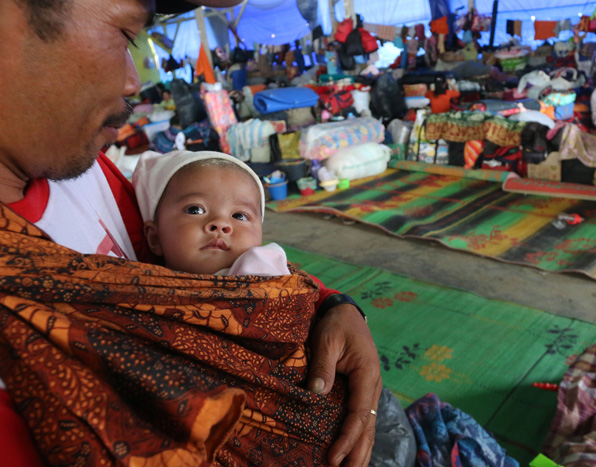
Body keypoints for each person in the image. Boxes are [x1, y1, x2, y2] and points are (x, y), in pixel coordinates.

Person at [0, 0, 381, 465]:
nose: (132, 82)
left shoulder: (81, 166)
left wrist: (332, 305)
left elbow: (212, 274)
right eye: (126, 36)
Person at [132, 150, 290, 276]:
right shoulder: (138, 288)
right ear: (155, 238)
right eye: (195, 210)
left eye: (239, 216)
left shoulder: (265, 271)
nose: (220, 223)